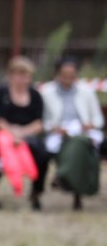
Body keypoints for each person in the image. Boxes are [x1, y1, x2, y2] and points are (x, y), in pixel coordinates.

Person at [0, 56, 50, 210]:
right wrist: (12, 133)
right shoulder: (1, 93)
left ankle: (36, 192)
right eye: (19, 75)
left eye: (26, 76)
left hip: (28, 135)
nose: (23, 79)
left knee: (43, 155)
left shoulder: (35, 95)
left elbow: (39, 122)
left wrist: (22, 133)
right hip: (4, 135)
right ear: (10, 75)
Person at [41, 56, 103, 210]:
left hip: (83, 134)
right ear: (57, 74)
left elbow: (98, 119)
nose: (68, 79)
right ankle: (65, 177)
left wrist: (89, 125)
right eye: (64, 75)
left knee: (79, 142)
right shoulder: (47, 92)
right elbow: (42, 120)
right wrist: (54, 128)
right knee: (76, 144)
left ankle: (62, 175)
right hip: (58, 135)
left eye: (72, 76)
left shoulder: (86, 92)